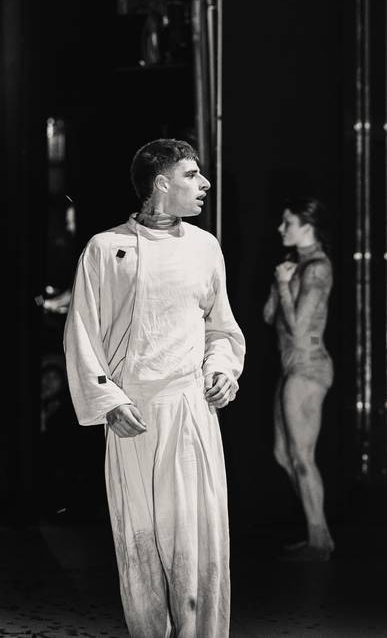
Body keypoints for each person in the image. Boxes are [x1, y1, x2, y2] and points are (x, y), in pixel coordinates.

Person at [63, 139, 245, 637]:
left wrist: (222, 369)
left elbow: (221, 327)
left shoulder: (205, 247)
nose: (204, 183)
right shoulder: (105, 249)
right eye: (192, 174)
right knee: (139, 546)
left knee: (199, 546)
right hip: (133, 416)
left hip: (190, 409)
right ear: (161, 183)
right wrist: (108, 401)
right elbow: (81, 332)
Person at [263, 197, 334, 561]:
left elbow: (297, 327)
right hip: (292, 367)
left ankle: (319, 540)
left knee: (303, 456)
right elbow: (268, 315)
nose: (281, 228)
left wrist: (283, 283)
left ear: (308, 225)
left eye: (287, 222)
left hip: (309, 367)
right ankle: (317, 531)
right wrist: (280, 284)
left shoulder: (317, 268)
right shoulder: (298, 265)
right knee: (283, 455)